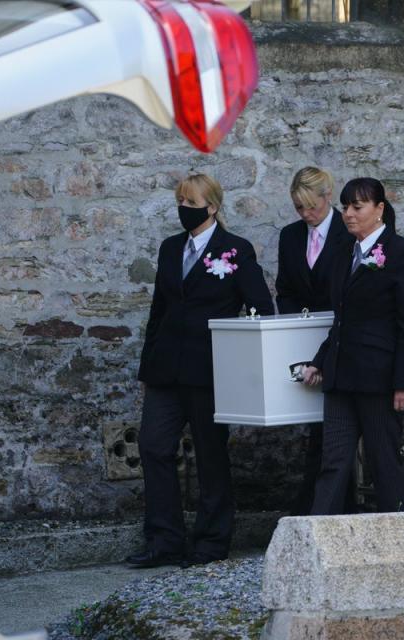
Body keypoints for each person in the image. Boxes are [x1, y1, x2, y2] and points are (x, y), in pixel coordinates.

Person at [130, 173, 274, 568]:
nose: (183, 208)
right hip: (166, 371)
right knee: (153, 446)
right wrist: (148, 368)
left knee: (211, 456)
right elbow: (159, 309)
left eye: (190, 201)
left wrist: (245, 365)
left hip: (211, 372)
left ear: (211, 206)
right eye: (179, 200)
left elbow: (260, 307)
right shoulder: (170, 248)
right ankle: (163, 540)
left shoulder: (235, 250)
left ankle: (211, 542)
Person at [301, 178, 404, 514]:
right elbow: (341, 319)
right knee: (333, 460)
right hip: (341, 375)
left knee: (383, 460)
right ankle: (320, 534)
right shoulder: (344, 254)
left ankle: (398, 532)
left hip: (378, 377)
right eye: (345, 207)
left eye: (357, 207)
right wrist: (320, 360)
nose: (348, 214)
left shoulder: (403, 253)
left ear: (379, 209)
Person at [274, 166, 356, 516]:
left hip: (344, 335)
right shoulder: (290, 236)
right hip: (304, 336)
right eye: (299, 208)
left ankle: (329, 506)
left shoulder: (347, 233)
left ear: (327, 198)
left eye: (312, 207)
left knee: (336, 429)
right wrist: (299, 322)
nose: (307, 215)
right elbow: (285, 288)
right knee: (319, 426)